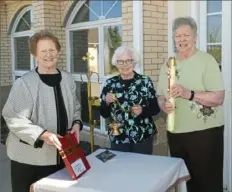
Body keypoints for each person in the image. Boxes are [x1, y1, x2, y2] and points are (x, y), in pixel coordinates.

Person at [2, 30, 83, 192]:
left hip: (62, 155)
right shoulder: (25, 83)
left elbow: (75, 107)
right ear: (35, 55)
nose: (49, 55)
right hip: (30, 158)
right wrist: (43, 134)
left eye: (52, 50)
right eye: (43, 51)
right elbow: (12, 117)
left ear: (58, 51)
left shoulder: (67, 78)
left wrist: (76, 124)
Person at [156, 17, 224, 192]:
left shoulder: (207, 60)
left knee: (207, 183)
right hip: (176, 132)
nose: (182, 39)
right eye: (178, 35)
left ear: (195, 37)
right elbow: (160, 96)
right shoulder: (168, 64)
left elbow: (218, 98)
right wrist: (163, 105)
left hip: (204, 133)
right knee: (185, 182)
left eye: (186, 34)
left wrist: (189, 94)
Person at [100, 45, 160, 155]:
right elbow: (104, 113)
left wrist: (142, 111)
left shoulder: (145, 81)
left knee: (141, 168)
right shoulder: (110, 83)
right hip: (118, 137)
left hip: (142, 136)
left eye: (128, 60)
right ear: (116, 63)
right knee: (121, 169)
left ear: (134, 62)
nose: (124, 65)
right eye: (120, 62)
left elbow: (155, 109)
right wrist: (106, 102)